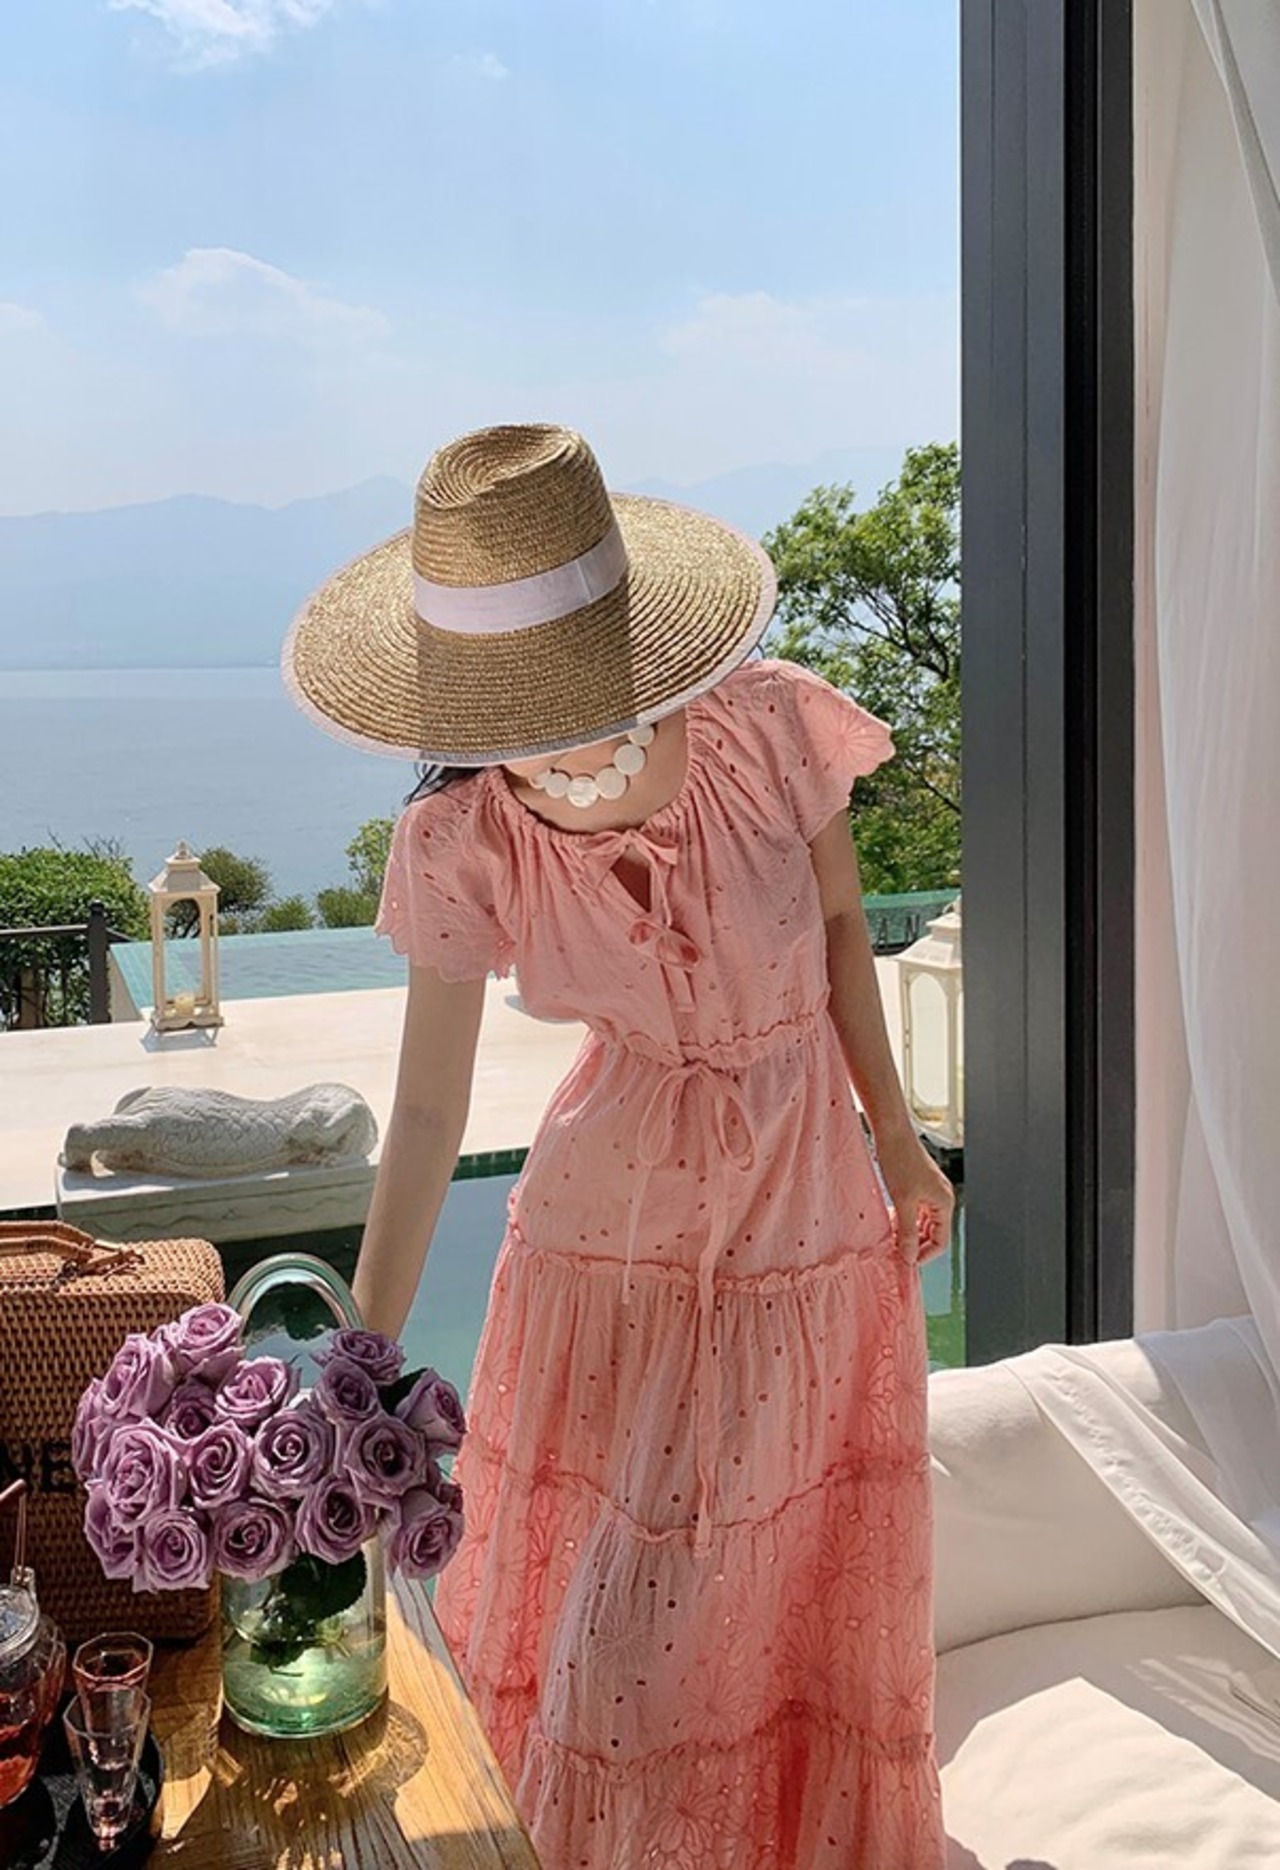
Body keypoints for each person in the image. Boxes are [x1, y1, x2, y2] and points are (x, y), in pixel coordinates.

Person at [283, 422, 954, 1869]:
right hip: (605, 1254)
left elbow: (843, 928)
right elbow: (424, 1112)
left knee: (764, 1601)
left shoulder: (770, 728)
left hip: (804, 1222)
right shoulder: (461, 838)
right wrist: (364, 1351)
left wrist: (897, 1141)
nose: (540, 731)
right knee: (619, 1648)